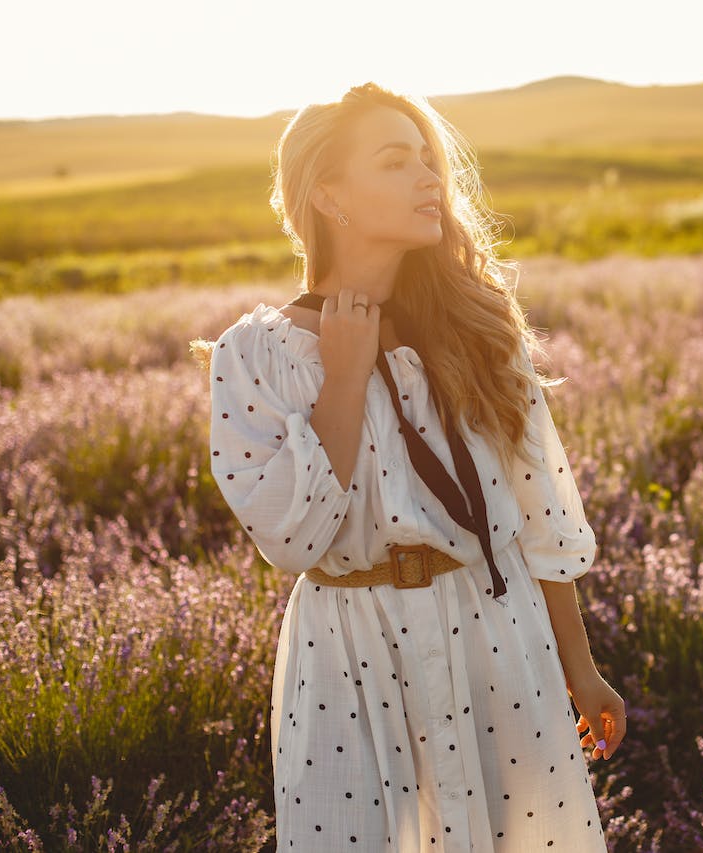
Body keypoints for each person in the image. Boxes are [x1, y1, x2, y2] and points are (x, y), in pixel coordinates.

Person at [191, 82, 625, 851]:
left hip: (496, 632)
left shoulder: (479, 328)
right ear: (328, 192)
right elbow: (292, 539)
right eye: (397, 162)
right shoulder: (253, 356)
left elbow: (542, 511)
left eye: (429, 160)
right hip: (352, 657)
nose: (430, 178)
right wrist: (345, 379)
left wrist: (579, 666)